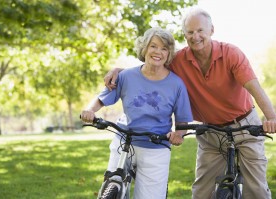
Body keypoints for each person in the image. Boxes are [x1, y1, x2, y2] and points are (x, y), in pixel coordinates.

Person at [103, 7, 276, 199]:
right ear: (185, 35)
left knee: (256, 189)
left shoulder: (231, 54)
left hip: (245, 126)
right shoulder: (179, 60)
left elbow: (255, 89)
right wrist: (121, 71)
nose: (196, 36)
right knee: (202, 191)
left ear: (211, 30)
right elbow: (151, 65)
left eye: (200, 30)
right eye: (190, 32)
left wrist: (271, 117)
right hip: (210, 132)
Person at [81, 27, 193, 199]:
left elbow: (183, 121)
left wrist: (179, 134)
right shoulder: (126, 76)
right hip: (124, 140)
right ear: (144, 48)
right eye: (153, 46)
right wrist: (89, 110)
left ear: (169, 54)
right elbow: (102, 99)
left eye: (164, 48)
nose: (158, 52)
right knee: (111, 188)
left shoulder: (176, 84)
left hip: (156, 146)